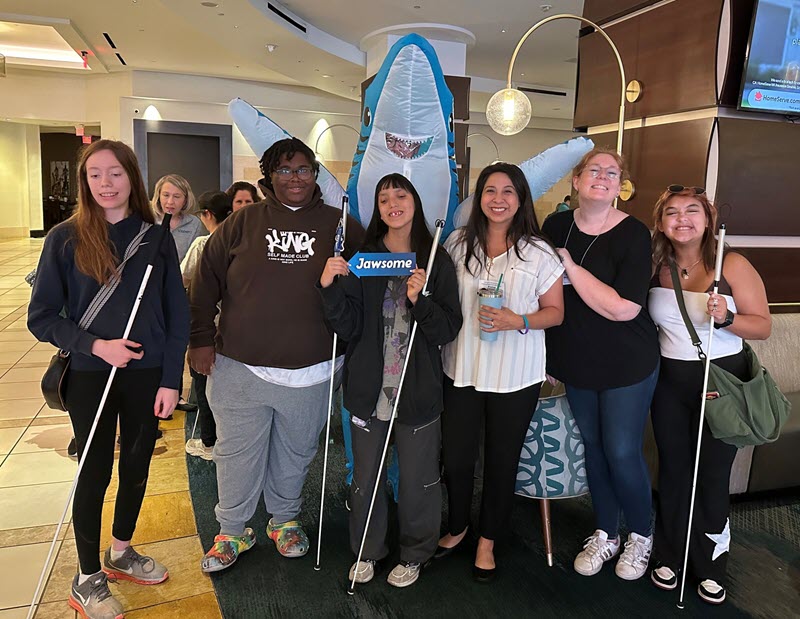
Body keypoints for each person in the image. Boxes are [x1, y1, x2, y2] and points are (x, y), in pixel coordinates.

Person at [27, 139, 189, 619]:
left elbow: (175, 313)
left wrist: (170, 378)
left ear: (132, 178)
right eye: (94, 174)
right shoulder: (65, 237)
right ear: (84, 182)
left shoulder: (156, 238)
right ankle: (85, 578)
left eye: (114, 173)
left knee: (138, 463)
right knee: (95, 468)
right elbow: (41, 318)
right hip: (92, 373)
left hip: (147, 374)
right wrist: (98, 346)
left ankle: (119, 552)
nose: (105, 183)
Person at [190, 137, 364, 572]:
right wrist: (199, 340)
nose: (295, 178)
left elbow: (364, 291)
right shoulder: (242, 223)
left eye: (303, 168)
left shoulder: (342, 226)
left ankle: (284, 520)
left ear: (315, 174)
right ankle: (232, 530)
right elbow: (204, 281)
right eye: (284, 170)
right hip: (240, 367)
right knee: (236, 452)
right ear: (269, 177)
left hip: (313, 370)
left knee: (296, 451)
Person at [319, 173, 462, 588]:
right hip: (368, 389)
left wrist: (422, 302)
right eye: (384, 198)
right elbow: (345, 325)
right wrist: (328, 286)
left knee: (419, 479)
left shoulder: (435, 260)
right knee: (366, 477)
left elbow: (447, 329)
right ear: (378, 209)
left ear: (415, 202)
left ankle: (416, 552)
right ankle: (367, 548)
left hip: (416, 392)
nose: (393, 203)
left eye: (401, 195)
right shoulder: (363, 258)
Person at [437, 162, 564, 582]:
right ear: (479, 198)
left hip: (516, 374)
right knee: (456, 458)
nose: (498, 199)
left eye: (508, 191)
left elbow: (556, 314)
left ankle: (488, 540)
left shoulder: (539, 252)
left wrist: (519, 320)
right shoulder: (456, 245)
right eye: (490, 190)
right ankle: (457, 526)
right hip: (462, 368)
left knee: (501, 460)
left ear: (521, 199)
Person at [647, 185, 770, 604]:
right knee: (675, 470)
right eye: (673, 213)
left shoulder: (730, 263)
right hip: (669, 382)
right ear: (662, 222)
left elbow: (763, 326)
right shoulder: (656, 264)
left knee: (713, 476)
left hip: (721, 381)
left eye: (692, 211)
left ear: (707, 219)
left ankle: (712, 562)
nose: (682, 219)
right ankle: (670, 553)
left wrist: (729, 317)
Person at [542, 148, 660, 581]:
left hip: (628, 360)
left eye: (612, 173)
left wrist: (570, 265)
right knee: (593, 447)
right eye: (595, 170)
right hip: (577, 359)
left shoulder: (633, 233)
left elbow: (624, 309)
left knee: (622, 450)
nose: (603, 177)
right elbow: (546, 293)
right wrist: (549, 354)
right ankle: (606, 532)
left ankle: (641, 537)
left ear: (619, 185)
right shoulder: (555, 226)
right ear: (576, 180)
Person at [181, 191, 233, 460]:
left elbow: (183, 279)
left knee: (203, 386)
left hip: (207, 327)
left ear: (207, 215)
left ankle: (210, 442)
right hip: (235, 329)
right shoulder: (242, 241)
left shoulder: (204, 244)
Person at [152, 174, 205, 414]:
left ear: (185, 200)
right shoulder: (147, 220)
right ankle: (151, 393)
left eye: (176, 196)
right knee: (153, 344)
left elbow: (196, 257)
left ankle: (175, 393)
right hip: (151, 294)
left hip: (180, 291)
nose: (170, 201)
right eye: (165, 195)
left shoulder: (193, 224)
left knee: (176, 342)